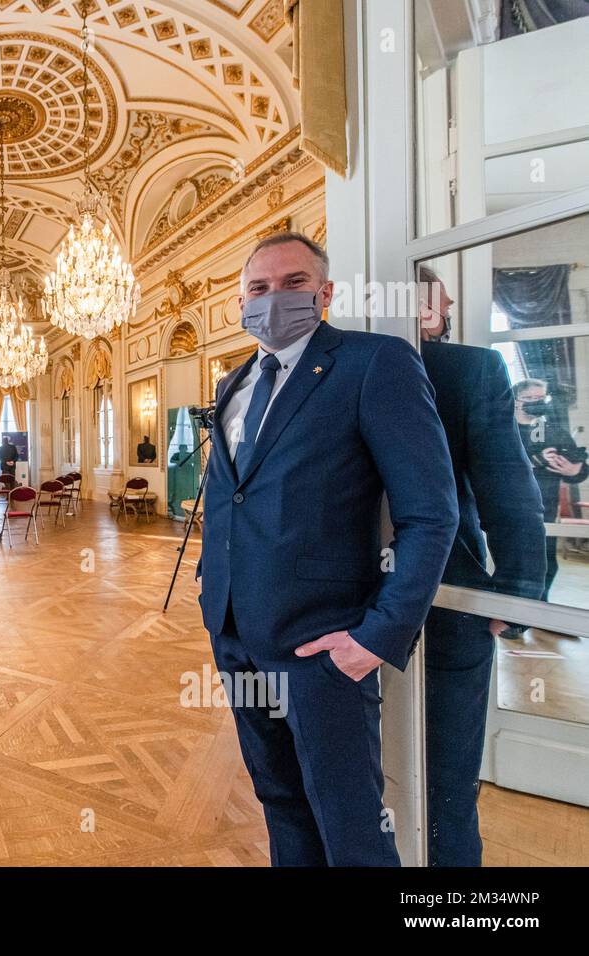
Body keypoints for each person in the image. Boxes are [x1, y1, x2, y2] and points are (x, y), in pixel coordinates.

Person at [196, 232, 458, 866]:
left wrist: (376, 638)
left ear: (325, 292)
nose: (272, 299)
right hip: (235, 635)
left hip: (324, 646)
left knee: (352, 829)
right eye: (258, 289)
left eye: (292, 283)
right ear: (240, 301)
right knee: (281, 802)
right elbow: (233, 500)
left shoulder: (375, 364)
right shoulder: (233, 384)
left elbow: (431, 514)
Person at [417, 267, 546, 866]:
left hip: (449, 596)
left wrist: (515, 596)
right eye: (439, 302)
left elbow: (508, 489)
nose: (443, 312)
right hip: (399, 597)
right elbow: (508, 487)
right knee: (435, 780)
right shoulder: (468, 369)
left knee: (442, 776)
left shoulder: (469, 370)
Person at [513, 377, 588, 601]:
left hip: (546, 508)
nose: (537, 402)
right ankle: (513, 617)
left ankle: (540, 610)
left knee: (546, 562)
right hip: (511, 507)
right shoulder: (503, 428)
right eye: (529, 398)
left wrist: (573, 470)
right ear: (516, 401)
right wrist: (537, 459)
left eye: (540, 398)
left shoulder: (554, 430)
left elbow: (581, 468)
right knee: (516, 562)